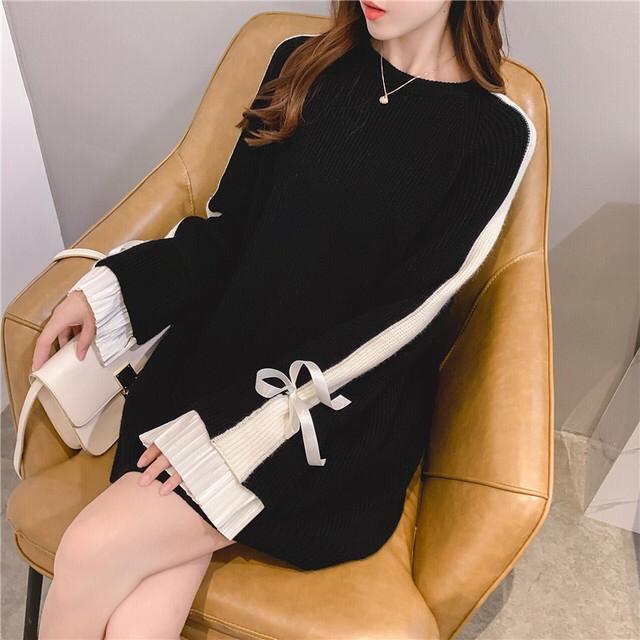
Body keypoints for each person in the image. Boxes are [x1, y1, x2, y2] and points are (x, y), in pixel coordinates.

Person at [32, 1, 537, 637]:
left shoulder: (495, 135)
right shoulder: (301, 65)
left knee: (88, 551)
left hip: (328, 415)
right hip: (220, 361)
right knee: (137, 620)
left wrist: (239, 432)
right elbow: (230, 232)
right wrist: (114, 289)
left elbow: (405, 322)